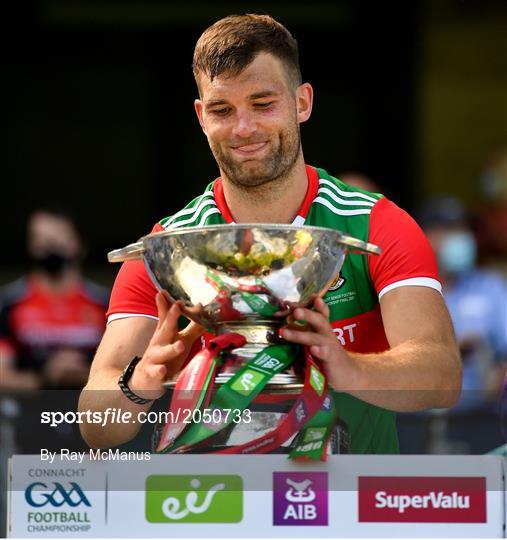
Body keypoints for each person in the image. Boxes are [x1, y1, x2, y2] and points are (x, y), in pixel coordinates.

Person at [79, 14, 461, 453]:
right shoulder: (170, 243)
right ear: (202, 117)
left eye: (263, 104)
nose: (244, 128)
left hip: (352, 509)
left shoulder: (375, 223)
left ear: (302, 103)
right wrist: (140, 382)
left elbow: (443, 375)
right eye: (223, 110)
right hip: (211, 509)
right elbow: (94, 423)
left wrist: (346, 368)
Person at [0, 208, 108, 390]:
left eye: (57, 237)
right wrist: (46, 377)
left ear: (80, 244)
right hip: (28, 412)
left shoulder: (105, 304)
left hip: (93, 412)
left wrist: (81, 375)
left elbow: (126, 372)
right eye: (40, 239)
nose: (49, 246)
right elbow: (3, 375)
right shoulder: (9, 304)